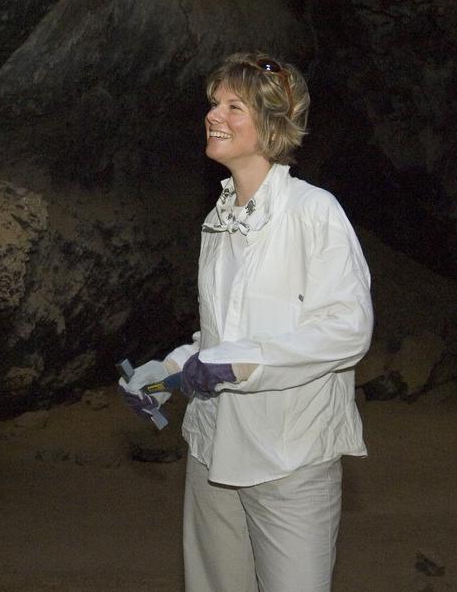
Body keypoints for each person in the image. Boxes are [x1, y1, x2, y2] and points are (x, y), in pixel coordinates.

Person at [120, 51, 373, 592]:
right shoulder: (220, 218)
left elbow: (347, 328)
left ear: (273, 124)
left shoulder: (314, 211)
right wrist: (166, 371)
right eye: (215, 103)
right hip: (212, 450)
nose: (215, 115)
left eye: (235, 106)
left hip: (289, 455)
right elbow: (218, 338)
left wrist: (241, 362)